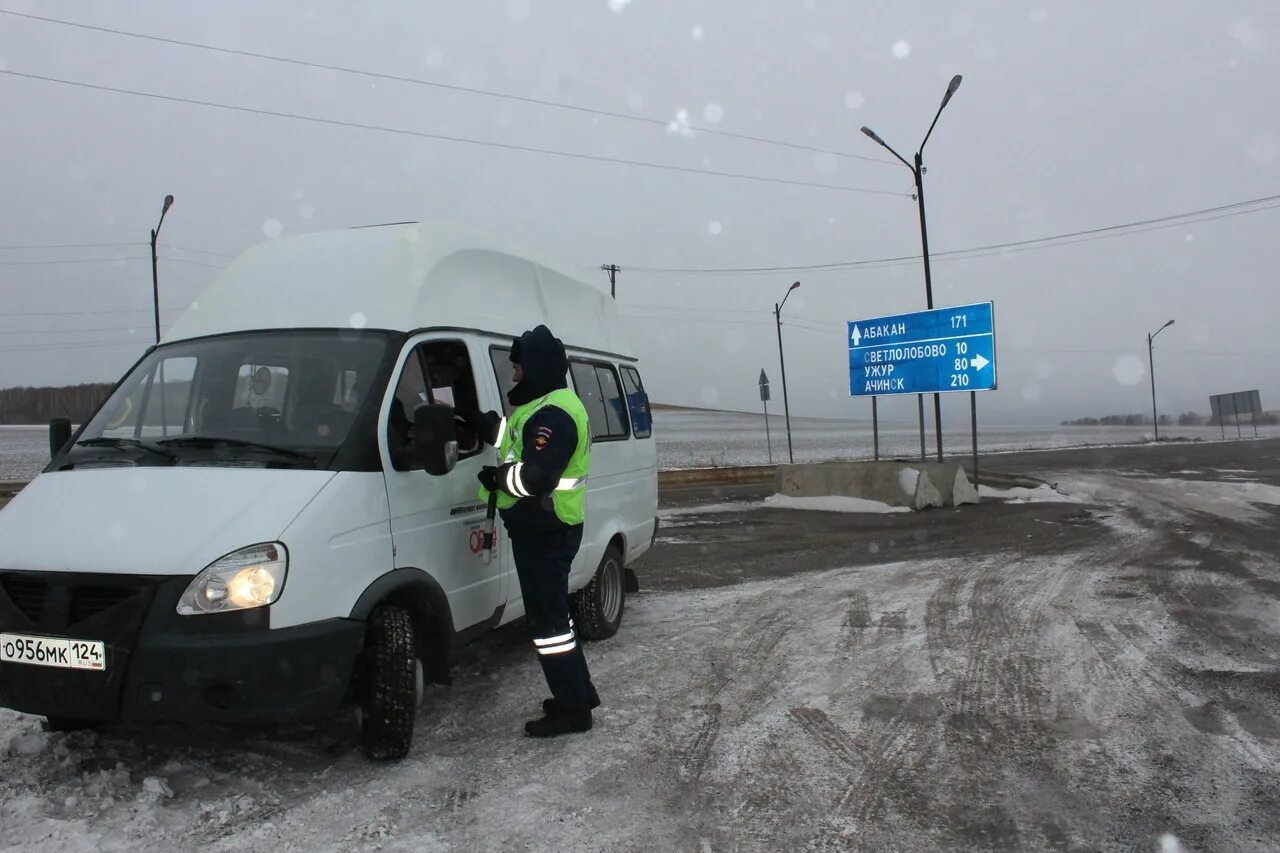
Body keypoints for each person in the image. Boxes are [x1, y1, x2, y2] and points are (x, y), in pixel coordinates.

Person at [470, 325, 600, 738]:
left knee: (550, 629)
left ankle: (573, 711)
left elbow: (538, 474)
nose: (514, 376)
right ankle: (580, 693)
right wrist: (484, 425)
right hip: (544, 528)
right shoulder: (543, 406)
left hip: (547, 531)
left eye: (518, 367)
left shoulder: (554, 415)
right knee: (555, 618)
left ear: (537, 367)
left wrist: (499, 480)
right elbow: (517, 439)